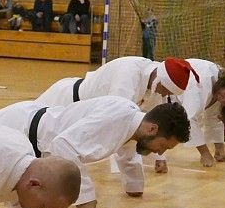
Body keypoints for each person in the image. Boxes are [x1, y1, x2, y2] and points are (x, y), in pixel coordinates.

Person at [0, 98, 190, 208]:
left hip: (29, 129)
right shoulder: (117, 119)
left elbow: (127, 154)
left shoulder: (133, 124)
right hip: (20, 129)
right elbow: (63, 145)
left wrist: (134, 188)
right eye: (163, 146)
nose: (160, 153)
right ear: (152, 129)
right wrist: (84, 197)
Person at [35, 56, 200, 173]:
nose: (165, 94)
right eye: (167, 89)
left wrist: (160, 158)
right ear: (160, 80)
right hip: (63, 101)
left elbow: (155, 129)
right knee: (36, 145)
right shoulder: (128, 77)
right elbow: (122, 130)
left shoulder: (157, 87)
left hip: (84, 112)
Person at [173, 59, 225, 167]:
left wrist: (219, 147)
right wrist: (204, 153)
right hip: (156, 91)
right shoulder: (204, 79)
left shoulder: (219, 87)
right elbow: (189, 118)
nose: (222, 100)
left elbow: (213, 118)